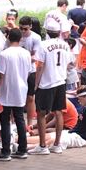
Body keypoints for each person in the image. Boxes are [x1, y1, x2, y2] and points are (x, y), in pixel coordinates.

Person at [31, 16, 74, 155]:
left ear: (47, 32)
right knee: (59, 111)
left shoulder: (43, 45)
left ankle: (43, 145)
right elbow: (70, 63)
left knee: (41, 113)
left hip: (46, 83)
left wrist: (36, 83)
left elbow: (40, 65)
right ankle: (57, 144)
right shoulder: (65, 44)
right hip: (60, 81)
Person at [0, 28, 34, 160]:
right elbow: (28, 71)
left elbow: (0, 75)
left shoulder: (5, 54)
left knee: (5, 121)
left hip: (8, 90)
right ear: (20, 38)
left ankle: (5, 151)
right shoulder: (26, 53)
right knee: (20, 118)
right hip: (21, 89)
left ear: (8, 38)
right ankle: (22, 149)